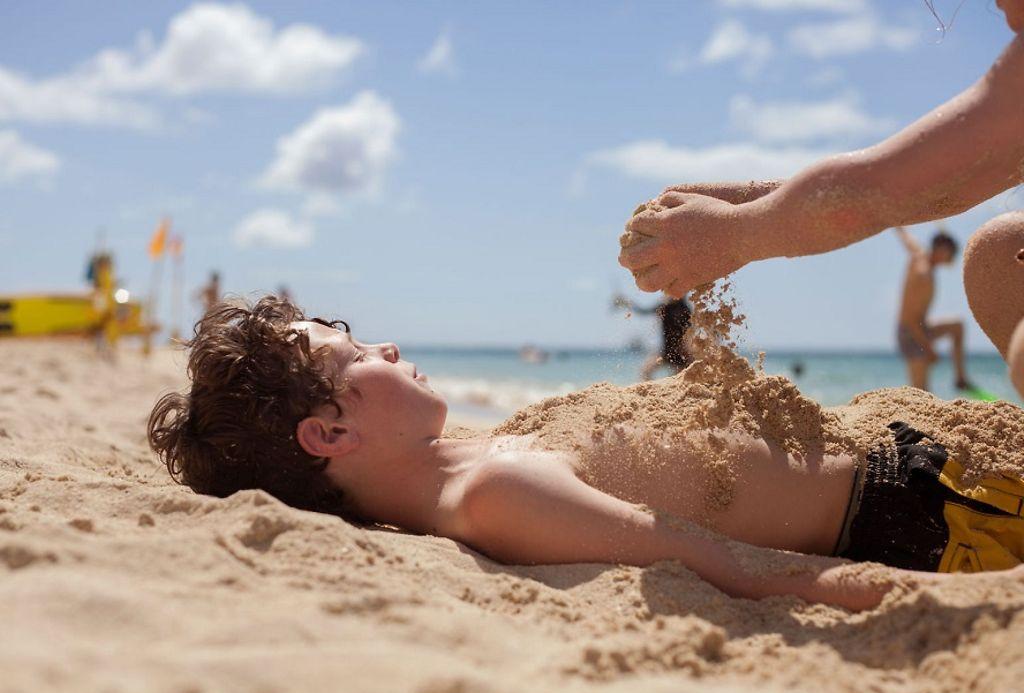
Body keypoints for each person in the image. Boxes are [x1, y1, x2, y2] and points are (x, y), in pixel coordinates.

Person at [148, 297, 1024, 614]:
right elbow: (719, 563)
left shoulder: (470, 455)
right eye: (359, 357)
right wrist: (923, 593)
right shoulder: (493, 495)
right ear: (332, 433)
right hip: (933, 514)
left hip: (909, 461)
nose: (383, 350)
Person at [618, 2, 1024, 396]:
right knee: (998, 251)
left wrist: (731, 233)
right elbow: (932, 188)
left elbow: (877, 191)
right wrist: (742, 203)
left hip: (913, 332)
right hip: (912, 330)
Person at [894, 228, 971, 392]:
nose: (952, 259)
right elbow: (910, 320)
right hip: (911, 335)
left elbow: (906, 237)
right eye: (951, 253)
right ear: (942, 250)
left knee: (957, 326)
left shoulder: (920, 253)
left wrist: (897, 224)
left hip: (921, 327)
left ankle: (960, 378)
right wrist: (929, 349)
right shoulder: (924, 276)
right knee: (921, 393)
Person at [614, 293, 693, 379]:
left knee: (679, 379)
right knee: (645, 372)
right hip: (665, 352)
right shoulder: (665, 306)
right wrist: (627, 303)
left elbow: (690, 332)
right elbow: (643, 311)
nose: (666, 294)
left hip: (681, 353)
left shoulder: (684, 310)